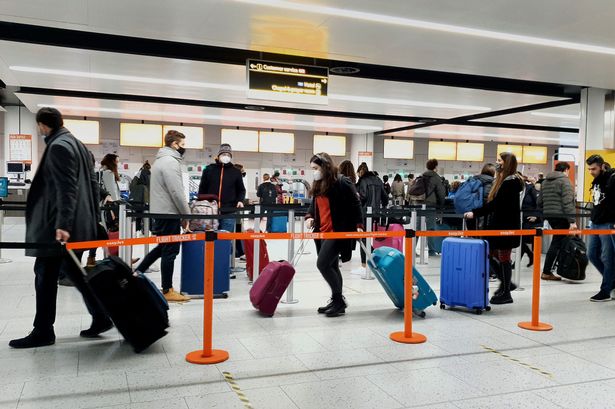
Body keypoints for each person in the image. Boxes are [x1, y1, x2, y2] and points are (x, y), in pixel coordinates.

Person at [9, 107, 110, 348]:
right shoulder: (79, 145)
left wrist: (63, 225)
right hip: (80, 225)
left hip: (60, 228)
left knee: (44, 275)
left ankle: (43, 330)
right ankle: (101, 317)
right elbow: (94, 187)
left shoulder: (58, 146)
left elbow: (66, 189)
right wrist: (95, 219)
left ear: (43, 125)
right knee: (75, 273)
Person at [134, 130, 191, 303]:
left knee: (162, 248)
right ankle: (167, 289)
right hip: (169, 213)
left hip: (162, 211)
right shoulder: (170, 162)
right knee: (170, 251)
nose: (184, 148)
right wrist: (186, 214)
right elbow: (176, 191)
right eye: (182, 144)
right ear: (174, 144)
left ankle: (137, 273)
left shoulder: (160, 160)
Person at [305, 153, 363, 317]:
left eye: (316, 168)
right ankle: (337, 301)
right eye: (312, 169)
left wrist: (358, 225)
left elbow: (356, 203)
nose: (314, 172)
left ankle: (339, 300)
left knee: (322, 264)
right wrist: (310, 217)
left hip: (338, 231)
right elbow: (314, 204)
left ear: (325, 166)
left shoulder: (342, 181)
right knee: (332, 266)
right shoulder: (318, 183)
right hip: (322, 231)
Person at [464, 152, 524, 305]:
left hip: (505, 227)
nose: (497, 163)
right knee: (490, 253)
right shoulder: (506, 180)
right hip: (501, 225)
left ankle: (506, 292)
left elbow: (496, 204)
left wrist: (475, 213)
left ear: (507, 163)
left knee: (503, 256)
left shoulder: (510, 182)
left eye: (500, 161)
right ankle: (506, 284)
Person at [539, 162, 577, 280]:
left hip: (550, 216)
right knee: (556, 243)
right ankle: (546, 271)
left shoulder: (545, 182)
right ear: (566, 170)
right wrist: (572, 221)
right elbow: (567, 202)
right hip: (562, 217)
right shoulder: (565, 181)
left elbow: (539, 202)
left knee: (559, 242)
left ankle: (556, 268)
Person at [585, 154, 615, 301]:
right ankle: (612, 283)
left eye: (594, 168)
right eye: (589, 169)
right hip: (595, 222)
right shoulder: (596, 180)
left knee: (608, 258)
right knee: (591, 254)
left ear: (602, 166)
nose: (591, 171)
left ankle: (606, 290)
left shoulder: (611, 179)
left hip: (607, 222)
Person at [198, 143, 246, 233]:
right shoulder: (209, 170)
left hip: (229, 211)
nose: (226, 156)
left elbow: (241, 189)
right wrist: (201, 203)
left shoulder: (236, 172)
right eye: (224, 154)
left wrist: (240, 200)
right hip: (210, 211)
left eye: (228, 155)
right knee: (210, 239)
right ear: (219, 155)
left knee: (226, 240)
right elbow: (202, 189)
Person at [356, 162, 388, 267]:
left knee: (362, 236)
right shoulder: (378, 180)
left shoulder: (363, 181)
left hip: (364, 213)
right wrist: (383, 207)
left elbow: (363, 196)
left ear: (360, 172)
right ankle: (373, 255)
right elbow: (385, 197)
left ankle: (365, 262)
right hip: (376, 213)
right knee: (367, 236)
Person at [422, 159, 446, 255]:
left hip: (418, 205)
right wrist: (441, 205)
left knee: (417, 228)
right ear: (435, 167)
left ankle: (411, 248)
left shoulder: (422, 175)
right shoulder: (436, 177)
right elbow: (441, 193)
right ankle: (431, 251)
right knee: (430, 228)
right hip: (430, 205)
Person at [464, 163, 495, 230]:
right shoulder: (494, 183)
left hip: (472, 211)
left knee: (472, 235)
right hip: (486, 213)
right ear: (493, 172)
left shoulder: (473, 180)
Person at [520, 175, 542, 268]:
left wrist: (536, 216)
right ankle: (530, 255)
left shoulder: (530, 189)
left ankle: (533, 258)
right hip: (521, 218)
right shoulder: (517, 191)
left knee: (523, 240)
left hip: (531, 219)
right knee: (521, 240)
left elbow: (539, 203)